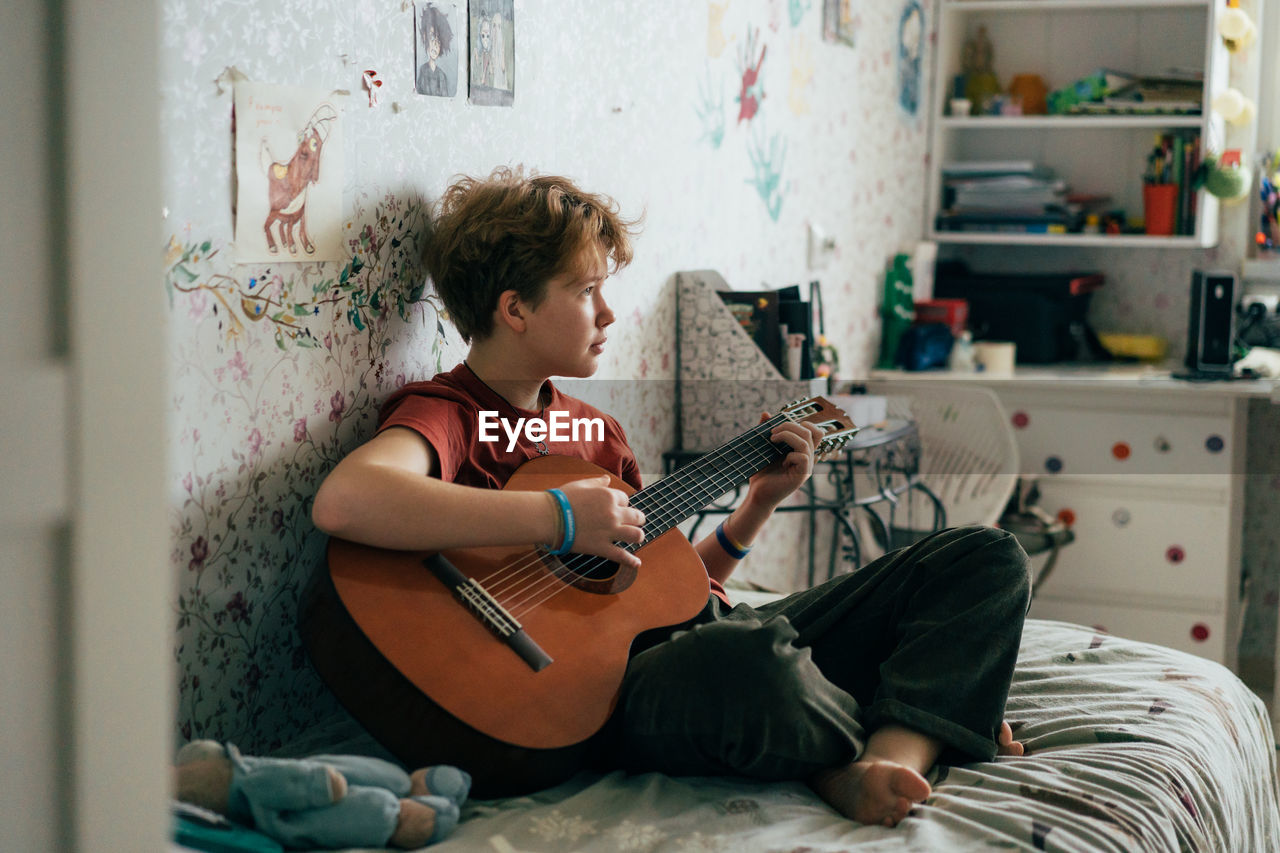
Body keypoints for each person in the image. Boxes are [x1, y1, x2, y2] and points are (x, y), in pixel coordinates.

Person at [310, 167, 1031, 828]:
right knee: (754, 663)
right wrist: (557, 516)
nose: (610, 314)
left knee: (987, 557)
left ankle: (894, 752)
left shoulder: (596, 433)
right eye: (587, 290)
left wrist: (758, 506)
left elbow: (673, 596)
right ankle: (906, 726)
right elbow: (348, 500)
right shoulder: (451, 413)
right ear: (515, 309)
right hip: (607, 694)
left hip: (689, 645)